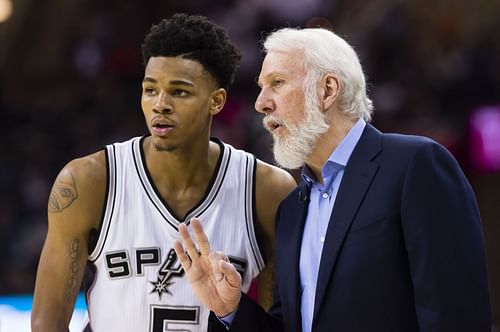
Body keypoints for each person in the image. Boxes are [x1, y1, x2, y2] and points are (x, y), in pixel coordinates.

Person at [173, 27, 492, 332]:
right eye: (261, 87)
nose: (261, 103)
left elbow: (456, 318)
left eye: (277, 83)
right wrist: (230, 309)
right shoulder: (291, 212)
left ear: (327, 90)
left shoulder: (415, 165)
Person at [31, 14, 296, 332]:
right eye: (150, 90)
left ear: (217, 101)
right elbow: (47, 322)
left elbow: (278, 325)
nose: (160, 104)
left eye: (179, 92)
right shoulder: (89, 182)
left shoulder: (266, 191)